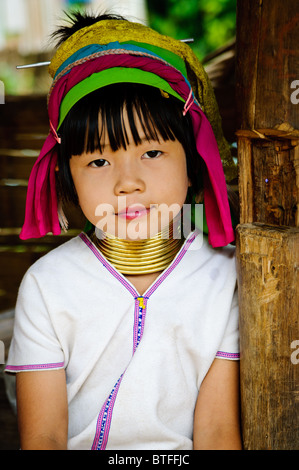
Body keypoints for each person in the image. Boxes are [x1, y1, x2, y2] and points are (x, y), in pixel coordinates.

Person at [5, 11, 242, 450]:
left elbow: (218, 431)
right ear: (67, 179)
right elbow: (44, 438)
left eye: (152, 152)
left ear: (193, 165)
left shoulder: (223, 279)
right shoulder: (47, 285)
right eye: (98, 161)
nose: (126, 182)